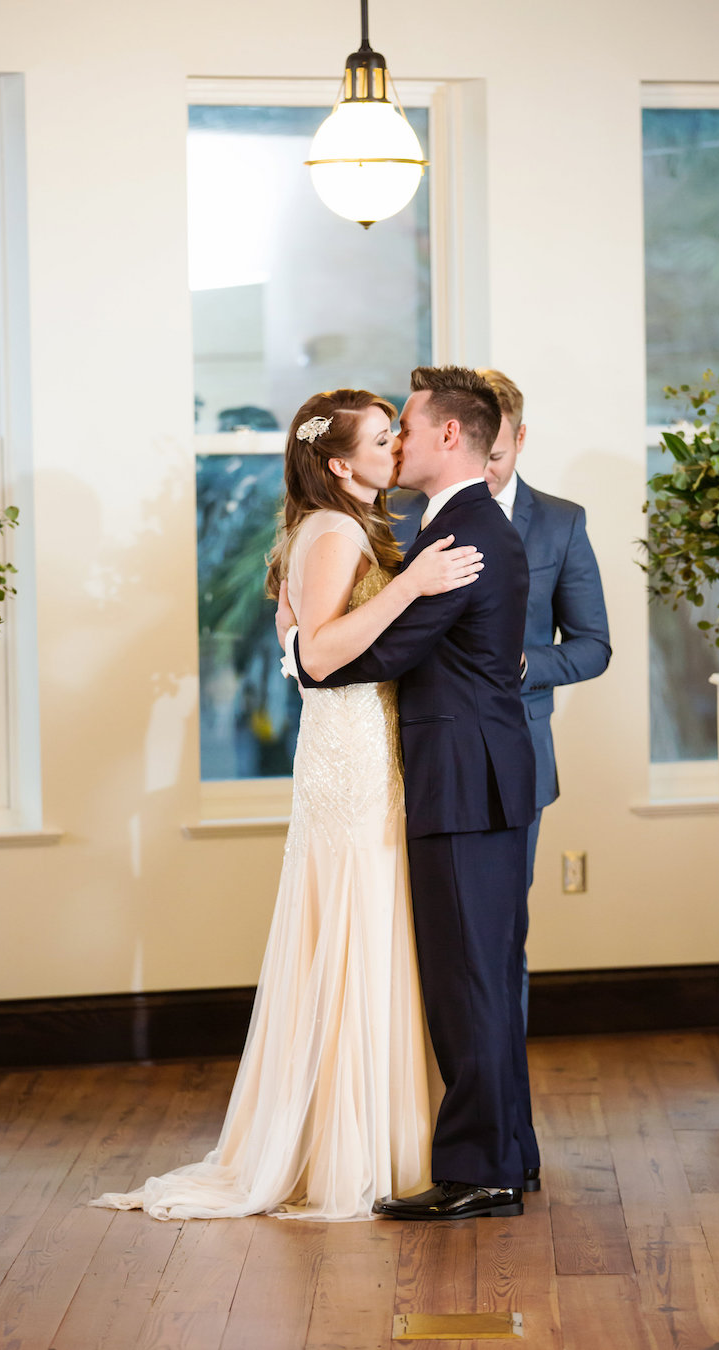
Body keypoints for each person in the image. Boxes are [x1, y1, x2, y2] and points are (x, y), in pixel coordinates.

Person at [91, 388, 483, 1221]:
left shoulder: (347, 524)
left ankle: (376, 1137)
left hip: (365, 746)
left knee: (370, 929)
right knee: (354, 925)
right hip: (350, 751)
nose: (399, 445)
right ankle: (348, 1150)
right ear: (341, 464)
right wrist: (412, 586)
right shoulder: (337, 530)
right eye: (384, 437)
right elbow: (316, 654)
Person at [289, 366, 541, 1221]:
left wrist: (305, 657)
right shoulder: (455, 524)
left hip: (464, 785)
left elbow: (388, 653)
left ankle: (481, 1173)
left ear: (448, 437)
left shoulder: (461, 533)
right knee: (483, 977)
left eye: (409, 424)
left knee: (468, 981)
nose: (398, 439)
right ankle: (508, 1158)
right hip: (470, 777)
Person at [394, 370, 611, 1027]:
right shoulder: (402, 514)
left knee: (496, 941)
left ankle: (498, 1091)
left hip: (513, 754)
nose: (482, 473)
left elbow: (593, 645)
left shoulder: (561, 523)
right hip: (412, 748)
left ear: (518, 439)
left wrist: (518, 665)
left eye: (498, 458)